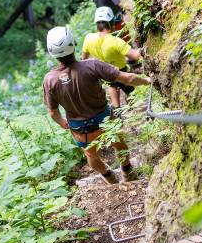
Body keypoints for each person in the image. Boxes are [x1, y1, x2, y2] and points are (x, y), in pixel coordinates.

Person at [43, 25, 150, 184]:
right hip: (105, 120)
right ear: (74, 43)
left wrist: (63, 123)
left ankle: (109, 177)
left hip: (80, 129)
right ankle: (127, 172)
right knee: (119, 144)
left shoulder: (49, 80)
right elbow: (127, 79)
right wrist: (148, 80)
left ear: (52, 53)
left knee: (91, 155)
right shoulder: (92, 65)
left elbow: (52, 112)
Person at [82, 6, 141, 109]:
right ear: (111, 23)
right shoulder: (115, 42)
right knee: (130, 90)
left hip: (103, 72)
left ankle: (117, 109)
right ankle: (134, 107)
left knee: (112, 85)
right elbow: (135, 56)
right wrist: (142, 47)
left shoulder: (88, 38)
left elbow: (84, 60)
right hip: (120, 70)